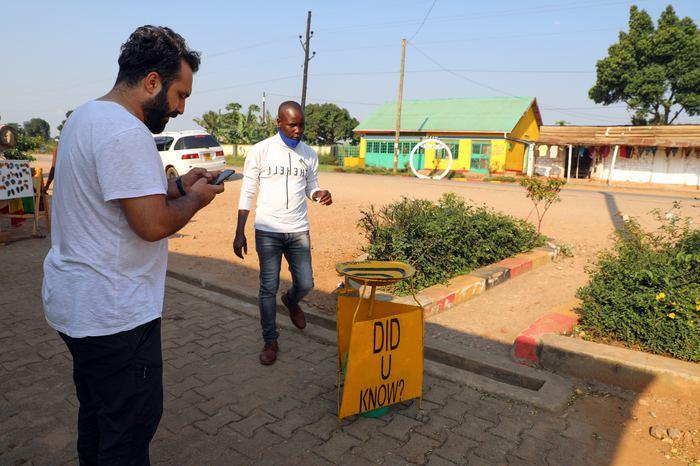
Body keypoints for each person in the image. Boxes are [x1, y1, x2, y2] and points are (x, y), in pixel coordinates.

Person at [42, 26, 224, 464]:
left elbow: (122, 197)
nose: (181, 109)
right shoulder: (127, 132)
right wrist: (196, 200)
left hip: (77, 306)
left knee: (99, 416)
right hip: (115, 315)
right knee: (129, 428)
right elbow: (151, 223)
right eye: (181, 95)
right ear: (152, 82)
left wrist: (180, 185)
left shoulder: (85, 117)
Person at [233, 101, 332, 365]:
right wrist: (239, 231)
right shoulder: (261, 151)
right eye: (292, 125)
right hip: (268, 231)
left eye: (301, 124)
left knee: (306, 283)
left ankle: (291, 301)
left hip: (298, 229)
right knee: (268, 287)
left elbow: (311, 187)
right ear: (279, 123)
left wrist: (319, 194)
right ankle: (270, 340)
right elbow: (248, 192)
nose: (298, 130)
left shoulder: (309, 154)